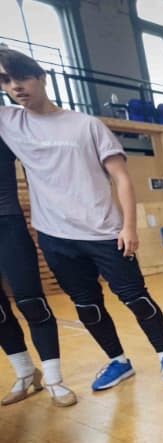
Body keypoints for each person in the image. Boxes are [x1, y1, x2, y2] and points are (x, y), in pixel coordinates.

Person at [0, 48, 163, 390]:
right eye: (6, 80)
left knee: (136, 299)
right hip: (55, 238)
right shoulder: (9, 122)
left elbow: (122, 178)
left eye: (22, 77)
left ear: (41, 77)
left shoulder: (86, 125)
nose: (15, 86)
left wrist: (129, 226)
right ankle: (118, 361)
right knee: (88, 307)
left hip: (105, 233)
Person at [0, 134, 76, 407]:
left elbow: (44, 165)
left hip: (7, 225)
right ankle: (25, 373)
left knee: (32, 303)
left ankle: (54, 379)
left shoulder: (4, 128)